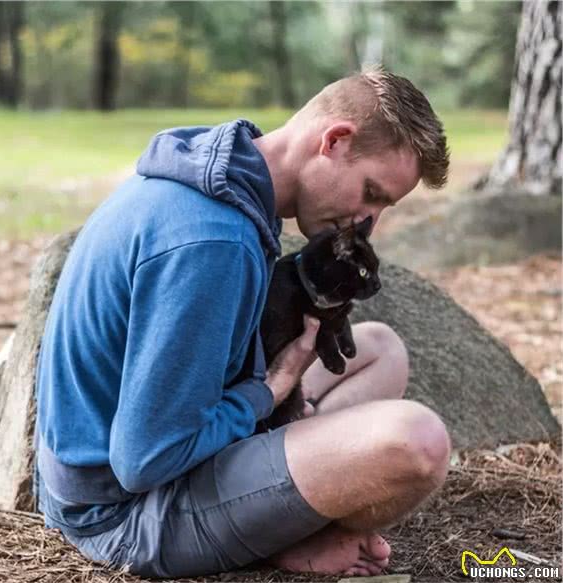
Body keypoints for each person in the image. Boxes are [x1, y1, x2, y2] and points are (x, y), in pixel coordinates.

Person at [34, 67, 451, 578]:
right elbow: (145, 459)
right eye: (371, 193)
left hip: (136, 465)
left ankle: (282, 498)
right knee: (418, 442)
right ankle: (280, 529)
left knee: (380, 350)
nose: (367, 223)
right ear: (335, 141)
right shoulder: (211, 241)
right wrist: (268, 393)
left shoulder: (221, 177)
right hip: (125, 513)